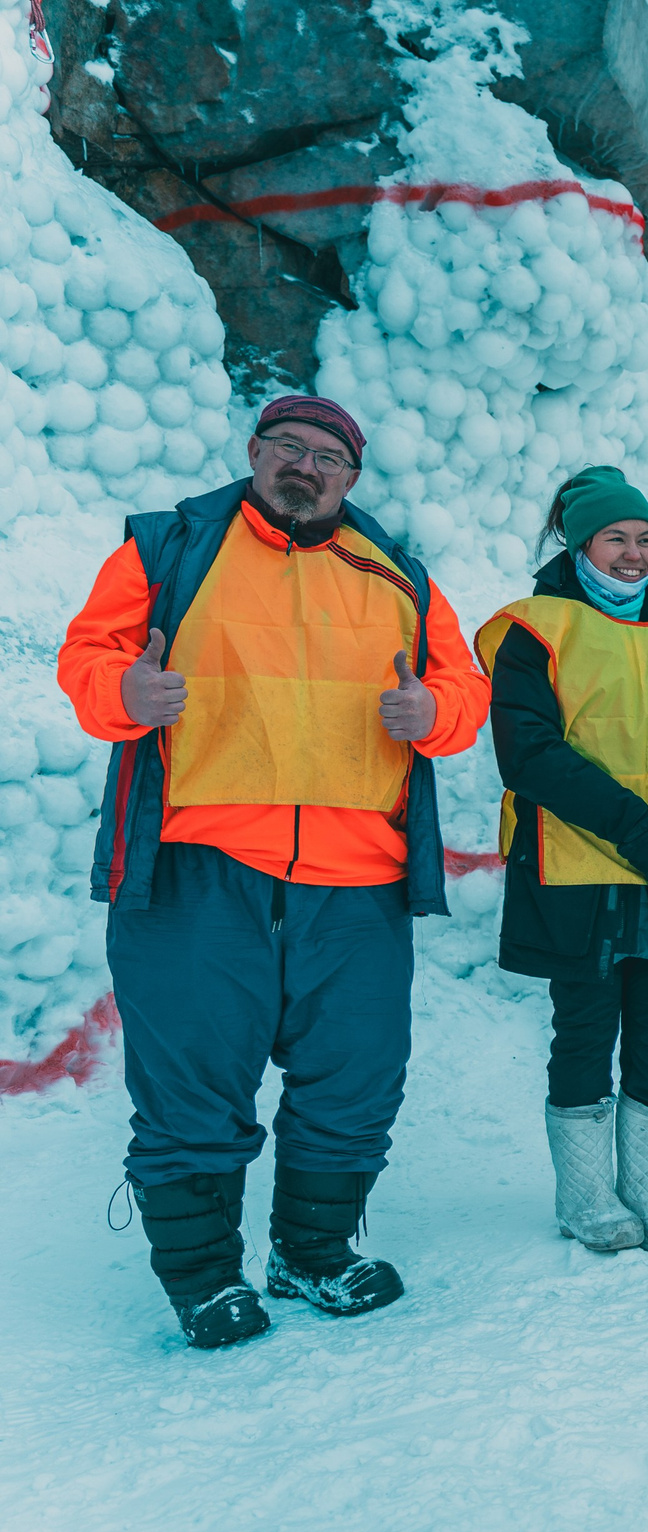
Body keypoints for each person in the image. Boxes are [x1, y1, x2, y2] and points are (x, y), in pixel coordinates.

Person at [58, 394, 490, 1349]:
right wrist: (124, 689)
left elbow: (462, 686)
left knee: (356, 1076)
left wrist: (437, 715)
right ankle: (207, 1279)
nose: (305, 464)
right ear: (254, 452)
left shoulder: (399, 574)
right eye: (287, 446)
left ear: (351, 476)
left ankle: (313, 1251)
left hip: (357, 876)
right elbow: (90, 654)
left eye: (326, 454)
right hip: (198, 866)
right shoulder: (169, 545)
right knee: (194, 1080)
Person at [478, 467, 648, 1256]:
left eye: (645, 538)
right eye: (616, 539)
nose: (634, 554)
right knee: (585, 1026)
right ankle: (588, 1194)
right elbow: (529, 752)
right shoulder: (535, 631)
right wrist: (640, 829)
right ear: (579, 543)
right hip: (579, 867)